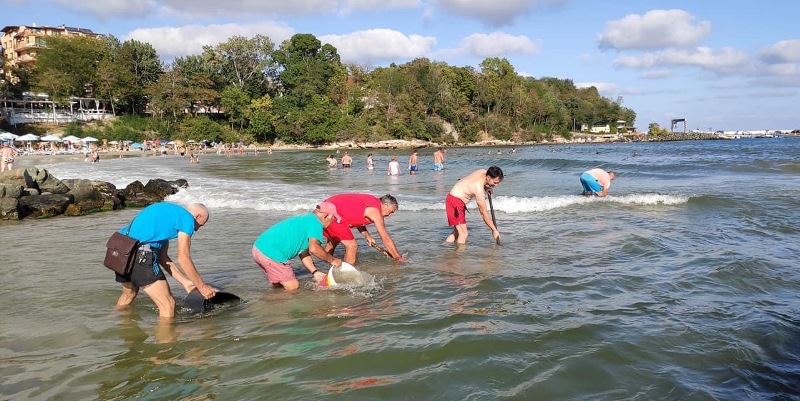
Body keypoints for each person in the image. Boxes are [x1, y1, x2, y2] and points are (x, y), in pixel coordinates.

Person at [114, 202, 216, 319]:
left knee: (129, 294)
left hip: (119, 251)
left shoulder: (168, 216)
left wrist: (186, 283)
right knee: (168, 305)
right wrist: (202, 287)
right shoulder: (187, 218)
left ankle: (113, 321)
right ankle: (167, 337)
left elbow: (163, 258)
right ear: (197, 216)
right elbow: (183, 258)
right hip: (140, 254)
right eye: (199, 225)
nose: (196, 229)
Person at [252, 202, 343, 290]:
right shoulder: (316, 223)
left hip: (258, 248)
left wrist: (315, 272)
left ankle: (271, 300)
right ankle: (271, 304)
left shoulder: (306, 219)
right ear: (326, 216)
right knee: (293, 287)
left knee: (278, 285)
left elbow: (303, 252)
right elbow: (314, 248)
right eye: (333, 219)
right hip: (272, 254)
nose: (332, 222)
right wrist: (333, 260)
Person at [323, 193, 406, 264]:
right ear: (384, 205)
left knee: (333, 242)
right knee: (352, 246)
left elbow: (356, 216)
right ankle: (348, 274)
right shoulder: (375, 211)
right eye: (391, 211)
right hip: (332, 214)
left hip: (324, 209)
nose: (390, 215)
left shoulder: (371, 202)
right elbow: (385, 238)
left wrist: (367, 236)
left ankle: (324, 267)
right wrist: (398, 258)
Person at [445, 166, 504, 244]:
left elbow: (473, 181)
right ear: (488, 177)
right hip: (455, 202)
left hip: (454, 199)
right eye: (495, 182)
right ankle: (458, 255)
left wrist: (486, 188)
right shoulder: (478, 189)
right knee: (463, 234)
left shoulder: (482, 171)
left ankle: (445, 247)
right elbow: (484, 214)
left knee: (457, 232)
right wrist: (494, 230)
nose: (496, 185)